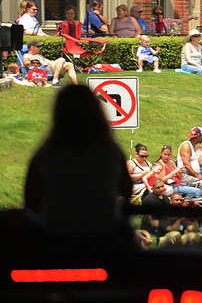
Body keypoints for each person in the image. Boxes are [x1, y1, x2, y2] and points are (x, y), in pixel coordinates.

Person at [24, 85, 131, 238]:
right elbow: (126, 188)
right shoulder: (109, 149)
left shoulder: (47, 152)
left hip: (57, 233)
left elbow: (31, 198)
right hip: (103, 231)